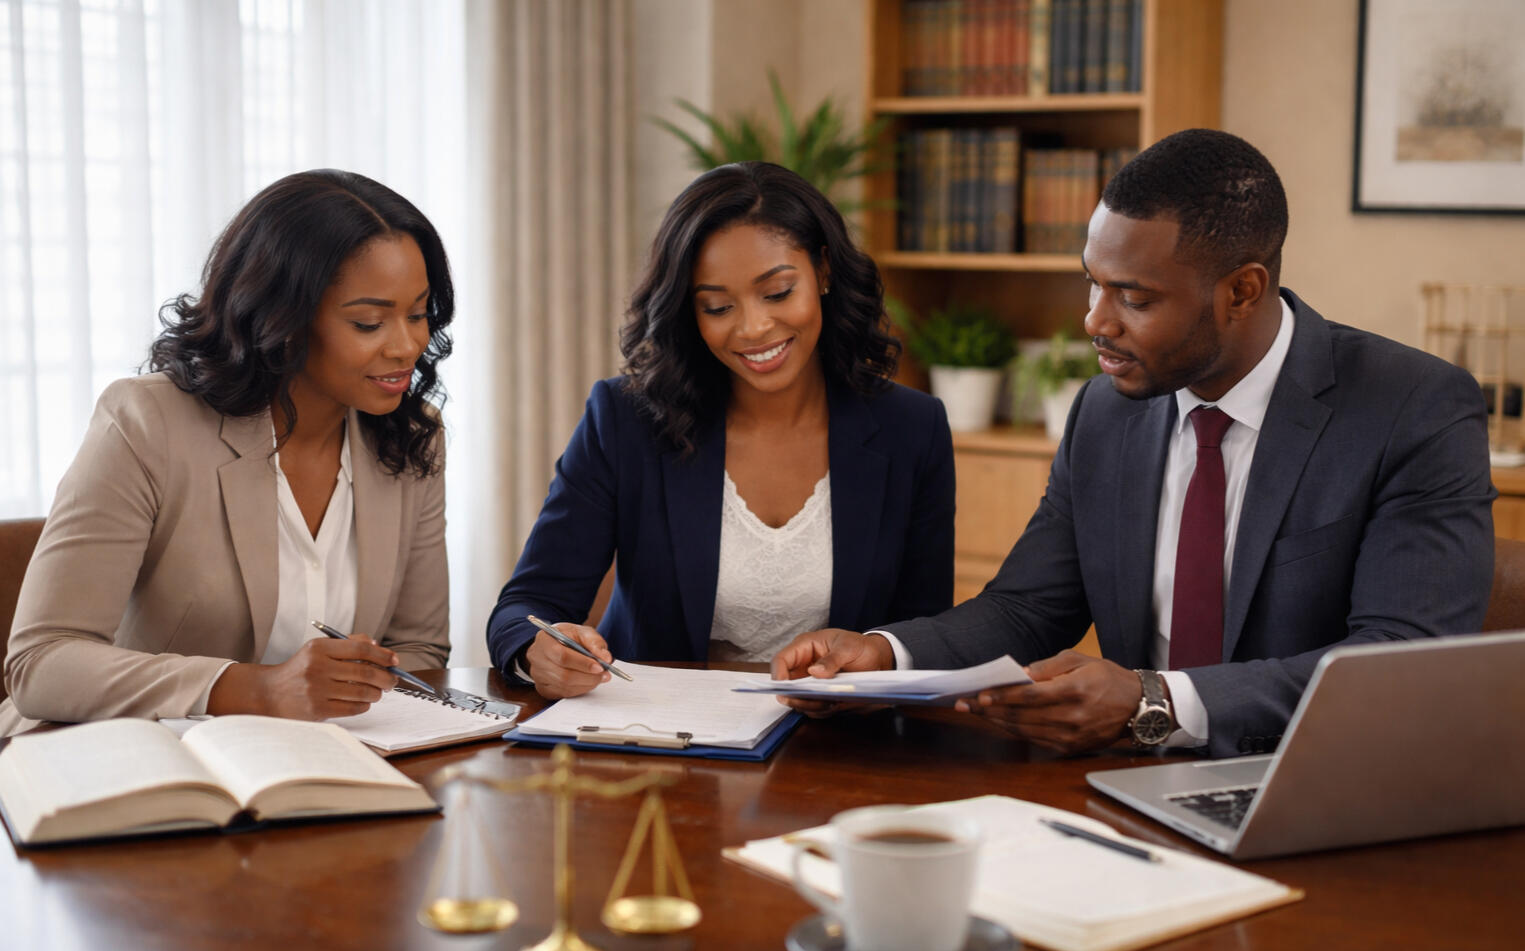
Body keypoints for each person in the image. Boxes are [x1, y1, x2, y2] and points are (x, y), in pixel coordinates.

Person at [772, 129, 1495, 758]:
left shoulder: (1412, 409)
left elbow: (1397, 661)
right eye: (1092, 285)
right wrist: (882, 656)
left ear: (1242, 291)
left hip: (1320, 785)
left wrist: (1155, 701)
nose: (1094, 321)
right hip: (1125, 789)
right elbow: (1028, 608)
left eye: (1134, 298)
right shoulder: (1103, 413)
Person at [1, 170, 455, 736]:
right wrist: (256, 689)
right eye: (369, 322)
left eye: (417, 314)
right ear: (283, 318)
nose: (408, 345)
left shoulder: (412, 437)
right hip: (127, 758)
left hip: (322, 770)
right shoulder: (147, 423)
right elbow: (43, 662)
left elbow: (417, 651)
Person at [487, 161, 955, 699]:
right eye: (718, 306)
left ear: (823, 271)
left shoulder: (912, 430)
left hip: (838, 746)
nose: (753, 327)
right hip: (655, 742)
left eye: (777, 293)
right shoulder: (624, 420)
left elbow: (924, 634)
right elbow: (526, 606)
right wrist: (536, 651)